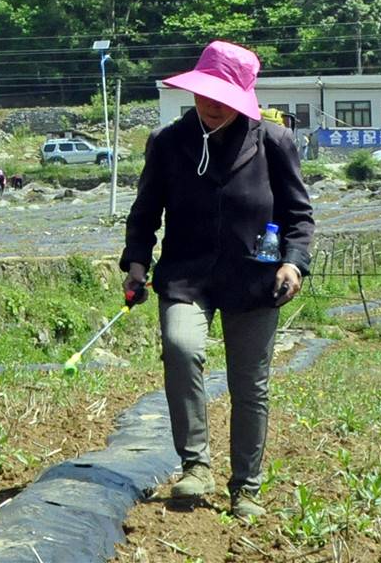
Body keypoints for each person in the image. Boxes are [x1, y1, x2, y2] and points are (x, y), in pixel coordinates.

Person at [120, 41, 314, 520]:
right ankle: (195, 465)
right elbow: (144, 213)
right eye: (204, 94)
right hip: (186, 276)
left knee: (250, 384)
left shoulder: (272, 141)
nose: (209, 105)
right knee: (182, 348)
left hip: (255, 281)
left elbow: (300, 216)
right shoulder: (169, 143)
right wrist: (137, 263)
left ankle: (245, 487)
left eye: (221, 97)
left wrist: (294, 263)